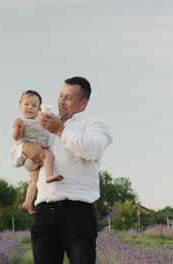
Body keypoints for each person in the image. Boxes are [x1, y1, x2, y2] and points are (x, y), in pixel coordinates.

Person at [10, 77, 112, 264]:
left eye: (68, 98)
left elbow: (94, 150)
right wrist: (24, 148)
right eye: (60, 95)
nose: (61, 101)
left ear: (83, 102)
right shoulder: (42, 124)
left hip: (78, 213)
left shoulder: (93, 124)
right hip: (44, 213)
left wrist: (60, 131)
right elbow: (14, 157)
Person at [12, 90, 64, 215]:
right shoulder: (22, 122)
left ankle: (28, 202)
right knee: (49, 154)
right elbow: (16, 138)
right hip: (30, 157)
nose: (30, 107)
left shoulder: (40, 119)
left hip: (35, 161)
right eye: (26, 104)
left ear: (39, 109)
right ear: (20, 106)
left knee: (34, 182)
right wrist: (18, 128)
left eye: (34, 105)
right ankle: (49, 175)